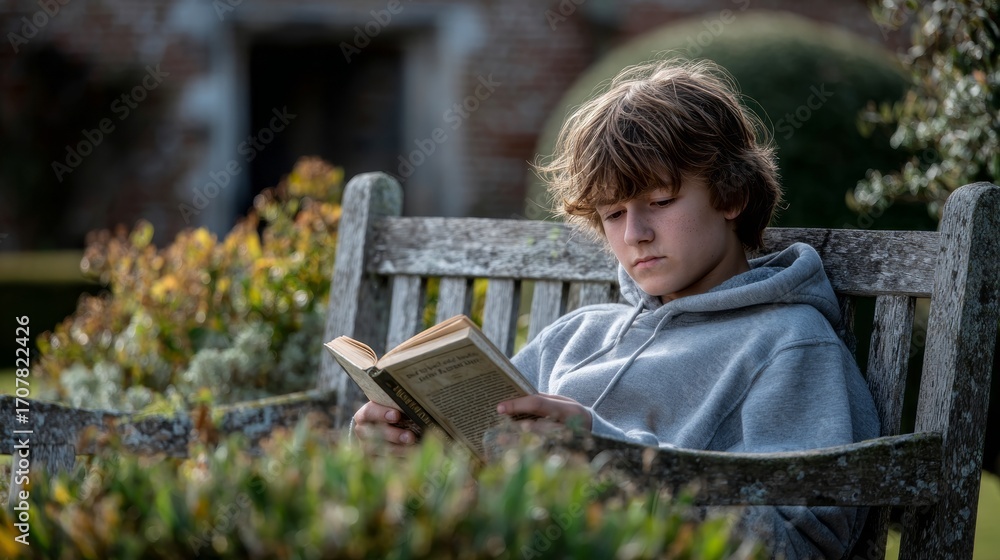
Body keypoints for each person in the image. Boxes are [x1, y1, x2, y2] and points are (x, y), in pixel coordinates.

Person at [352, 58, 880, 559]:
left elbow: (797, 544)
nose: (636, 235)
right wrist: (406, 452)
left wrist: (608, 461)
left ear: (732, 195)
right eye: (612, 214)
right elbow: (478, 470)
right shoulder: (575, 335)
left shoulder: (790, 342)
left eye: (661, 201)